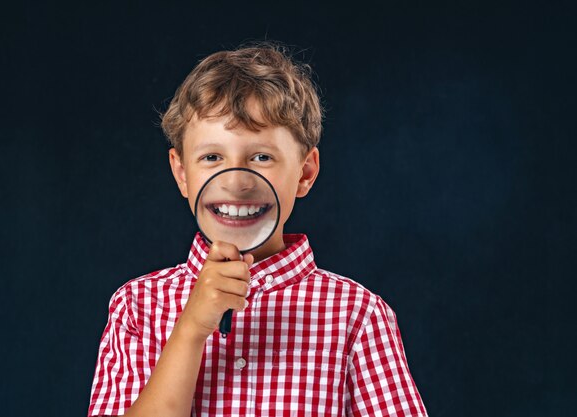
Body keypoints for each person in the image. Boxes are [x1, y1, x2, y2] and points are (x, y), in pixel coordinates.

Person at [88, 42, 428, 417]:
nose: (236, 182)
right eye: (212, 157)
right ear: (182, 173)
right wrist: (191, 329)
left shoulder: (358, 316)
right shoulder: (138, 307)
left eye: (261, 157)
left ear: (306, 172)